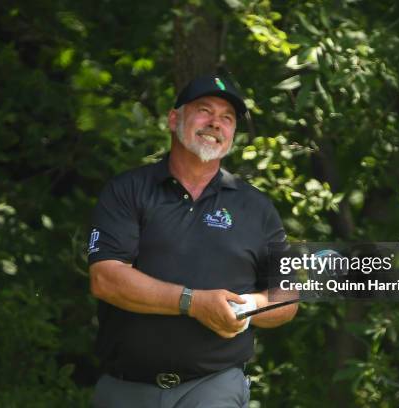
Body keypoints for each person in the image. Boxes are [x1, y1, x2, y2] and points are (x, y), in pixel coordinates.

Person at [88, 74, 297, 407]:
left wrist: (246, 308)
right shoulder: (127, 190)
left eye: (227, 118)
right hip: (126, 386)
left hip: (214, 385)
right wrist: (193, 303)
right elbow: (106, 278)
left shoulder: (256, 207)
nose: (216, 123)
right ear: (174, 119)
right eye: (204, 110)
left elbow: (286, 296)